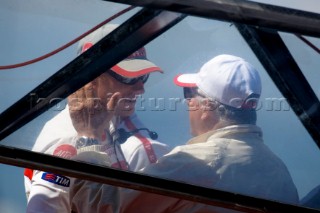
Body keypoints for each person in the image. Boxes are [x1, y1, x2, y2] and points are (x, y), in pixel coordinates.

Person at [67, 54, 299, 212]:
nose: (187, 104)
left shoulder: (196, 163)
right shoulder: (281, 173)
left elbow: (103, 208)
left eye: (189, 95)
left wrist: (89, 137)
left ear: (207, 107)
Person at [25, 24, 170, 212]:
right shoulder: (64, 140)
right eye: (129, 78)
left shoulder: (117, 112)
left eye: (143, 77)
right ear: (90, 77)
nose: (140, 88)